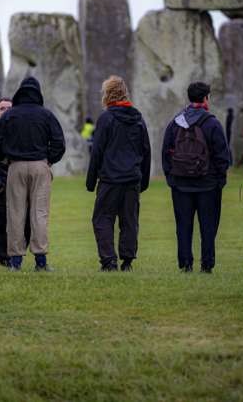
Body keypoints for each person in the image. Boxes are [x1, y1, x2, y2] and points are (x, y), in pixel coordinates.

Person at [0, 76, 65, 271]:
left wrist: (4, 158)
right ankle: (40, 262)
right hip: (39, 165)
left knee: (15, 214)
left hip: (15, 166)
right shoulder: (46, 115)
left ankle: (15, 262)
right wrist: (49, 160)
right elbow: (59, 143)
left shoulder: (10, 115)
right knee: (39, 213)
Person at [162, 82, 230, 273]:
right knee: (208, 228)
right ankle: (207, 265)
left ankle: (185, 264)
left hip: (180, 184)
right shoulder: (212, 123)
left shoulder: (176, 122)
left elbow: (166, 152)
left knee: (183, 226)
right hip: (208, 185)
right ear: (206, 98)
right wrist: (219, 180)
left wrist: (171, 177)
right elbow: (222, 156)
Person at [86, 76, 150, 271]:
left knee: (103, 218)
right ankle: (127, 260)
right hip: (132, 179)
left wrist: (91, 181)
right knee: (129, 220)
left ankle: (108, 260)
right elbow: (146, 151)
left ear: (107, 94)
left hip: (110, 179)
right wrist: (144, 180)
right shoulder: (138, 118)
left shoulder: (106, 119)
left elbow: (97, 151)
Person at [0, 97, 31, 267]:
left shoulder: (21, 130)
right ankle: (2, 255)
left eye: (9, 108)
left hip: (19, 180)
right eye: (2, 109)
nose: (6, 111)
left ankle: (18, 250)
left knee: (26, 219)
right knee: (1, 219)